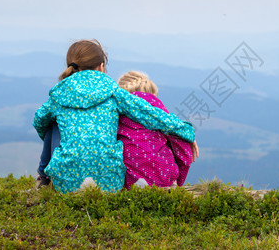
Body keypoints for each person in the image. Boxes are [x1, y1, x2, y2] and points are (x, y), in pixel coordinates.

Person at [33, 39, 196, 193]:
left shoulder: (59, 95)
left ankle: (43, 177)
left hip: (67, 182)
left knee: (52, 122)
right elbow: (151, 114)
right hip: (109, 182)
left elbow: (38, 121)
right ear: (102, 66)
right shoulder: (114, 92)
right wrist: (186, 131)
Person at [117, 71, 198, 189]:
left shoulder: (118, 109)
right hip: (164, 177)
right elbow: (181, 144)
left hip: (130, 180)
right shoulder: (156, 107)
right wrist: (178, 178)